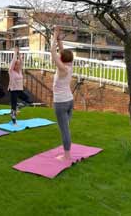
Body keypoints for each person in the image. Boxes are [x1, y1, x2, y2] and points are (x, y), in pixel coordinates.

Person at [51, 26, 74, 161]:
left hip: (61, 103)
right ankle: (67, 152)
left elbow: (53, 51)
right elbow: (61, 52)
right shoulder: (69, 65)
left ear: (62, 58)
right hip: (69, 101)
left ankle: (66, 156)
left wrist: (54, 36)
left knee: (64, 130)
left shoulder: (62, 68)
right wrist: (59, 39)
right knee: (67, 128)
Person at [8, 45, 32, 124]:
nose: (18, 65)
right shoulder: (11, 71)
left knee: (29, 101)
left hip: (20, 90)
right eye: (16, 64)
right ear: (14, 65)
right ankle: (14, 121)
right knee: (13, 107)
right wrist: (15, 53)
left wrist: (19, 53)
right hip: (13, 91)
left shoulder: (20, 71)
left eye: (18, 64)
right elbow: (14, 61)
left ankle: (18, 107)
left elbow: (21, 62)